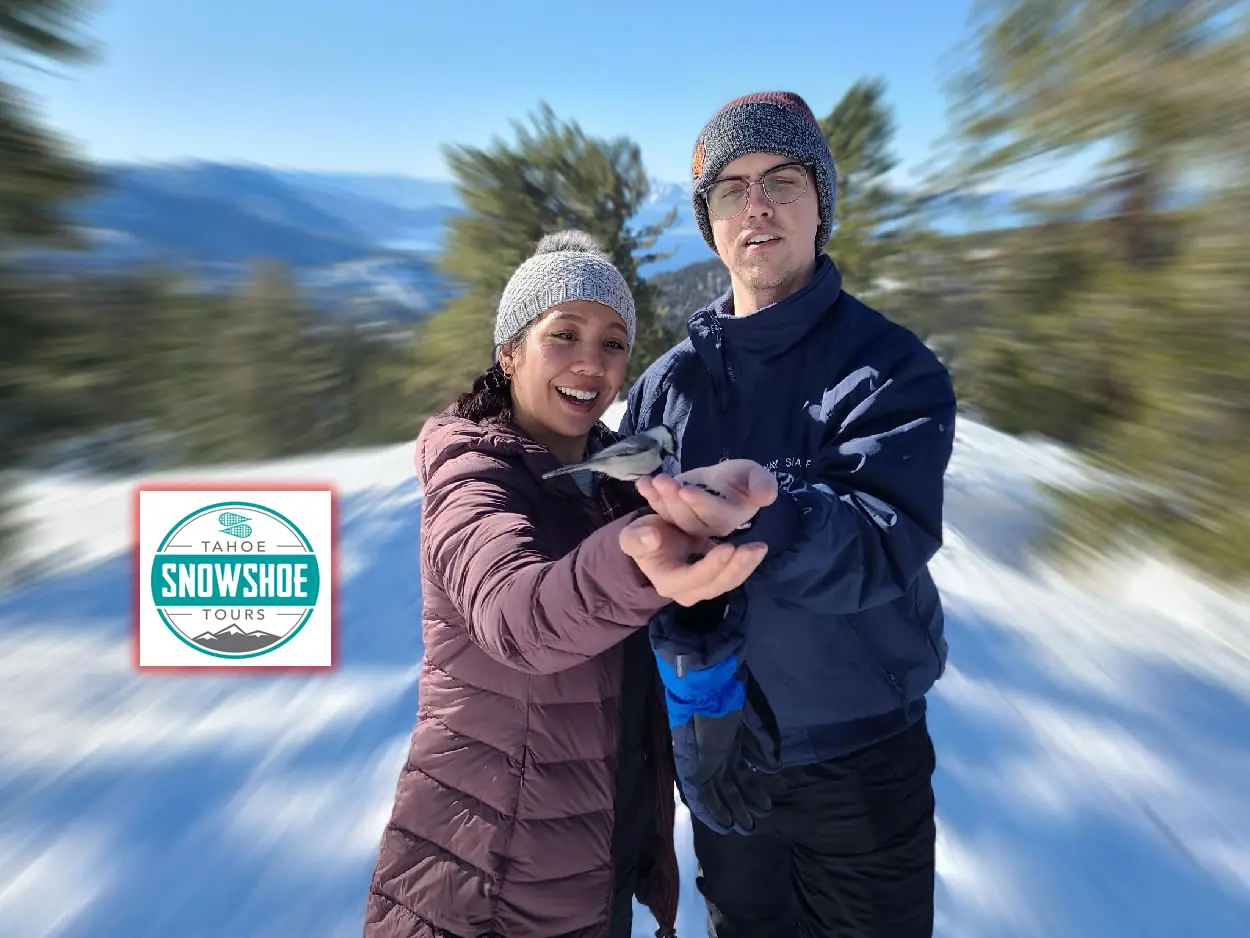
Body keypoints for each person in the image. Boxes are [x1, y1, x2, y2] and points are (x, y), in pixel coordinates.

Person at [363, 229, 772, 938]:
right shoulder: (473, 477)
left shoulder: (614, 482)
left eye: (614, 341)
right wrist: (635, 555)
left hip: (589, 874)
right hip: (484, 883)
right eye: (565, 333)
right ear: (509, 351)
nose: (592, 361)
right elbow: (517, 616)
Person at [618, 91, 958, 938]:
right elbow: (643, 562)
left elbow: (887, 540)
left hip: (862, 762)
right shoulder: (666, 388)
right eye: (730, 189)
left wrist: (772, 515)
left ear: (821, 205)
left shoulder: (890, 368)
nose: (756, 204)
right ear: (709, 222)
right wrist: (693, 706)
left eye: (781, 179)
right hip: (725, 753)